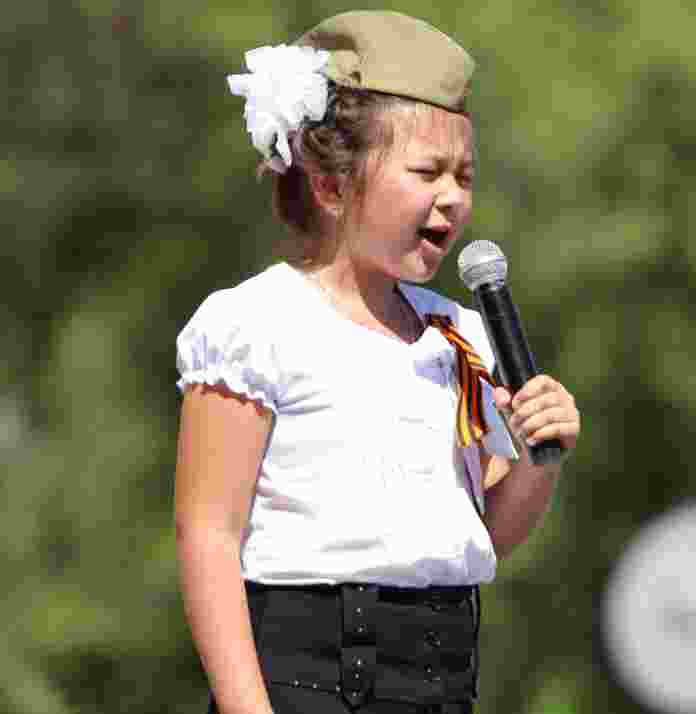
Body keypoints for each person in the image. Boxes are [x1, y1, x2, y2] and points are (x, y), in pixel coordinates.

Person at [173, 10, 580, 714]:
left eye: (465, 176)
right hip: (304, 686)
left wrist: (542, 461)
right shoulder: (255, 325)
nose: (452, 197)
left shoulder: (460, 336)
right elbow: (209, 532)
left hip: (440, 682)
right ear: (331, 187)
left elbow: (484, 534)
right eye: (426, 172)